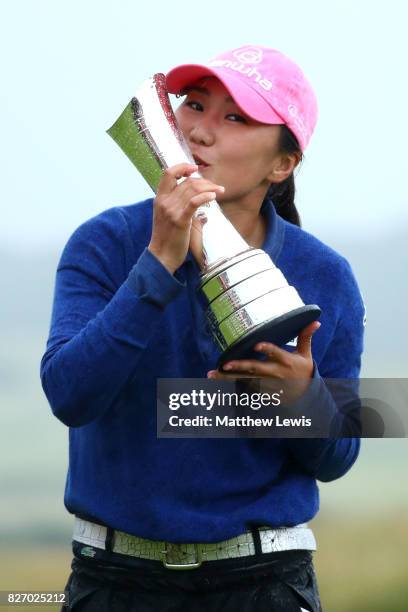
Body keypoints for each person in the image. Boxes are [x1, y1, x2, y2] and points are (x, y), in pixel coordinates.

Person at [41, 45, 365, 611]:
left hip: (265, 581)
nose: (201, 132)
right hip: (114, 580)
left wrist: (304, 403)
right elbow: (70, 394)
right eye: (194, 105)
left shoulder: (326, 275)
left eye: (235, 117)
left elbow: (339, 458)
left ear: (282, 164)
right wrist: (158, 263)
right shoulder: (103, 243)